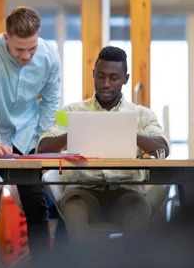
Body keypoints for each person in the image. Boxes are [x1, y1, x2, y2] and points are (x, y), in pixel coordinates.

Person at [37, 46, 169, 243]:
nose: (106, 84)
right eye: (100, 76)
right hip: (82, 192)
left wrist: (129, 134)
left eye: (113, 78)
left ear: (125, 78)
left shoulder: (142, 114)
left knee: (140, 211)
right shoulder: (72, 112)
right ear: (93, 75)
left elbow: (162, 148)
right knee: (73, 209)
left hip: (127, 192)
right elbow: (43, 148)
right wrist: (73, 133)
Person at [0, 5, 61, 262]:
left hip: (27, 134)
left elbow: (50, 102)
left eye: (31, 48)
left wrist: (45, 144)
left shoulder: (49, 55)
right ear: (6, 37)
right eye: (19, 49)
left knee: (36, 203)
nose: (26, 56)